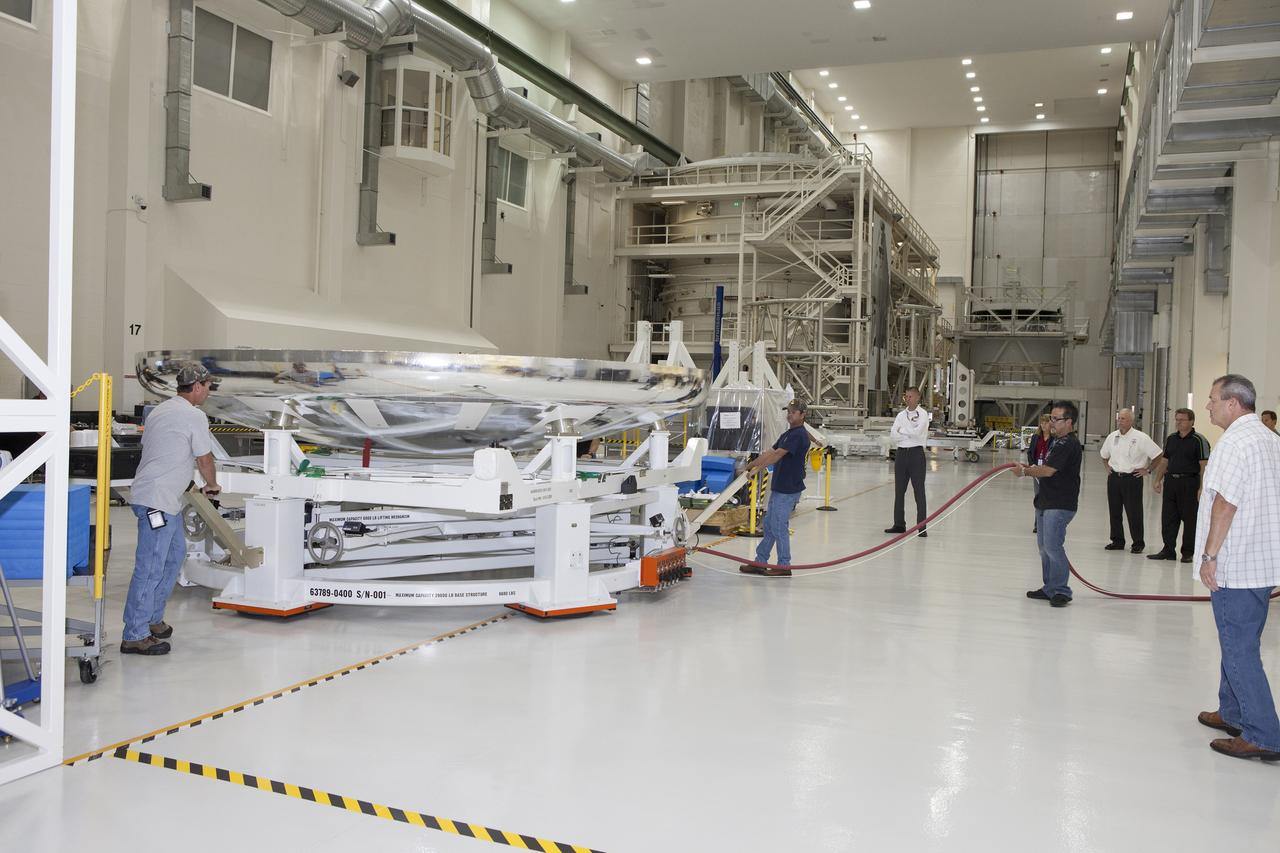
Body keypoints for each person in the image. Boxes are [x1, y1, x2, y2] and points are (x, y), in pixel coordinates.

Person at [1193, 374, 1280, 761]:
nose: (1207, 406)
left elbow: (1225, 503)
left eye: (1212, 399)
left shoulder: (1234, 443)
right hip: (1261, 561)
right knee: (1240, 642)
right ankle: (1232, 712)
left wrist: (1210, 556)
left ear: (1232, 403)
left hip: (1237, 563)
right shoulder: (1268, 438)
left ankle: (1263, 734)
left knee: (1239, 649)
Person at [121, 364, 221, 655]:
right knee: (151, 565)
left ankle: (152, 619)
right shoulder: (193, 415)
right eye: (208, 387)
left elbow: (165, 452)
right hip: (157, 502)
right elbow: (204, 459)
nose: (208, 392)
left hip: (162, 499)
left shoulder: (159, 411)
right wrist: (211, 485)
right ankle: (134, 634)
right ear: (198, 386)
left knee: (174, 556)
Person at [1016, 401, 1083, 607]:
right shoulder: (1056, 442)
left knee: (1053, 547)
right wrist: (1029, 468)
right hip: (1045, 501)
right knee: (1044, 548)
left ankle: (1061, 591)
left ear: (1069, 422)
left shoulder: (1067, 444)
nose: (1052, 422)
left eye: (1056, 419)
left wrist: (1025, 472)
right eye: (1051, 418)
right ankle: (1050, 588)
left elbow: (1048, 470)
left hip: (1059, 503)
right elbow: (1044, 466)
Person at [740, 400, 812, 578]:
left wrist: (757, 469)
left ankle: (784, 565)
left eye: (793, 412)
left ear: (802, 415)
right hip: (780, 487)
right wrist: (750, 465)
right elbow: (770, 452)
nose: (790, 415)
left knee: (779, 527)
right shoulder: (788, 434)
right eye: (789, 411)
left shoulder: (798, 435)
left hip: (788, 489)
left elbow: (778, 455)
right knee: (770, 526)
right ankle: (760, 562)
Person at [1147, 408, 1210, 563]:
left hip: (1190, 483)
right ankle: (1168, 550)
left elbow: (1204, 465)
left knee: (1190, 519)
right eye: (1177, 419)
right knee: (1168, 517)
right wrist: (1157, 479)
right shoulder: (1171, 439)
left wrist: (1202, 487)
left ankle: (1188, 552)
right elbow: (1165, 461)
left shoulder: (1199, 440)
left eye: (1182, 420)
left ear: (1191, 421)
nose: (1178, 422)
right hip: (1171, 482)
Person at [1099, 408, 1163, 553]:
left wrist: (1148, 470)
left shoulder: (1141, 437)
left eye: (1123, 419)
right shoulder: (1112, 436)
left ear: (1131, 421)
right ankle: (1117, 541)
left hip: (1132, 478)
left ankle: (1138, 543)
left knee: (1134, 512)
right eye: (1119, 418)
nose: (1120, 421)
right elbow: (1104, 455)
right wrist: (1107, 467)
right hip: (1114, 478)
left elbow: (1158, 455)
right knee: (1114, 510)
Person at [884, 388, 930, 538]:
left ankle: (922, 527)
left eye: (911, 396)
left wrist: (902, 431)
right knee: (899, 491)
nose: (908, 399)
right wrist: (907, 432)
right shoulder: (900, 415)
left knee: (919, 492)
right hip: (901, 454)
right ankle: (899, 524)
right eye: (906, 396)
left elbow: (917, 433)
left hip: (916, 455)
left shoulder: (923, 414)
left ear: (918, 398)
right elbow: (893, 434)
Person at [1028, 413, 1053, 533]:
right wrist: (1032, 465)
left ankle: (1048, 523)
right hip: (1037, 471)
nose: (1043, 425)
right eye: (1042, 422)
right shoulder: (1035, 437)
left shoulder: (1054, 439)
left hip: (1048, 472)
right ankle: (1038, 524)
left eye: (1046, 422)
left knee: (1049, 497)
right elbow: (1030, 453)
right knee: (1038, 497)